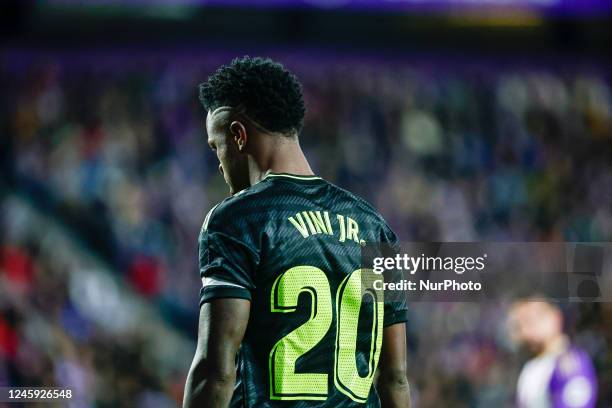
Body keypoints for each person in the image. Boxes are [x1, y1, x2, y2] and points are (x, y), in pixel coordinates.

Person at [182, 56, 410, 408]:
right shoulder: (374, 225)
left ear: (238, 136)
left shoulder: (238, 219)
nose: (219, 162)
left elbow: (216, 373)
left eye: (217, 147)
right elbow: (394, 378)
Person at [509, 298, 597, 408]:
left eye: (533, 320)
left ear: (556, 317)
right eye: (521, 325)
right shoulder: (532, 366)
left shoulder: (570, 363)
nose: (527, 330)